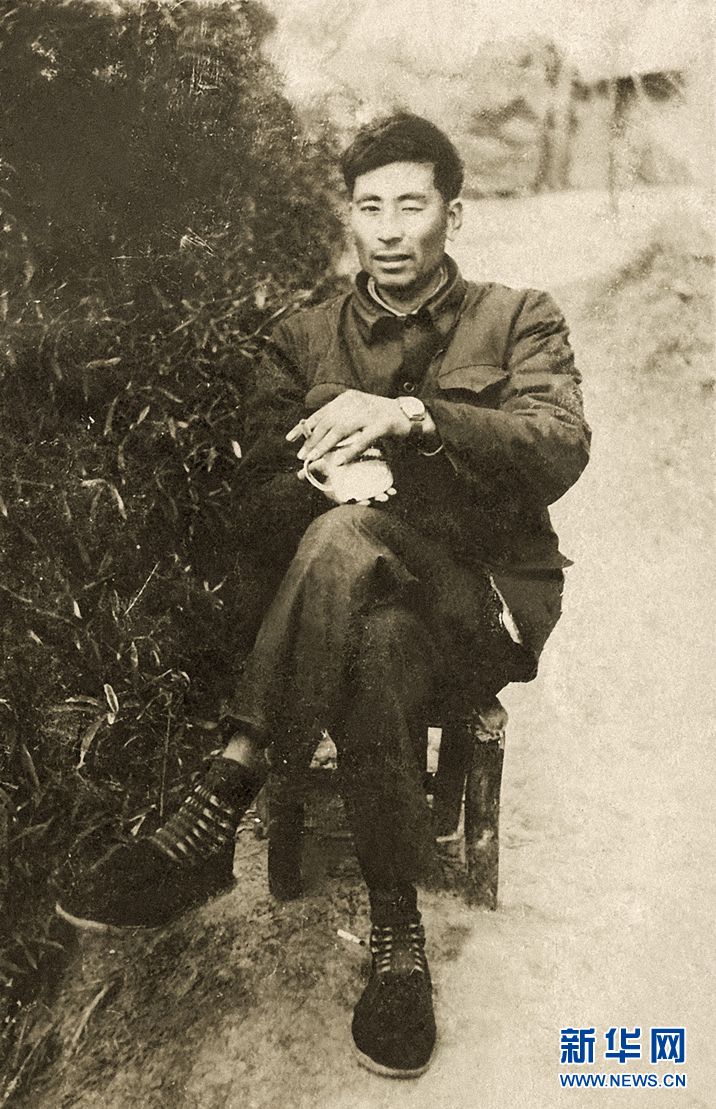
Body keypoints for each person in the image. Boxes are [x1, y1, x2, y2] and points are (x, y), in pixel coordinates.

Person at [55, 113, 590, 1078]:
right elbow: (247, 510)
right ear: (349, 216)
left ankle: (225, 789)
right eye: (369, 207)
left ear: (454, 214)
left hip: (475, 606)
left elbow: (558, 446)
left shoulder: (518, 317)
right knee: (368, 625)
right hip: (364, 623)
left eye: (411, 206)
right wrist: (325, 478)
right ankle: (397, 938)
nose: (388, 229)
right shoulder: (301, 338)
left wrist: (412, 417)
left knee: (351, 548)